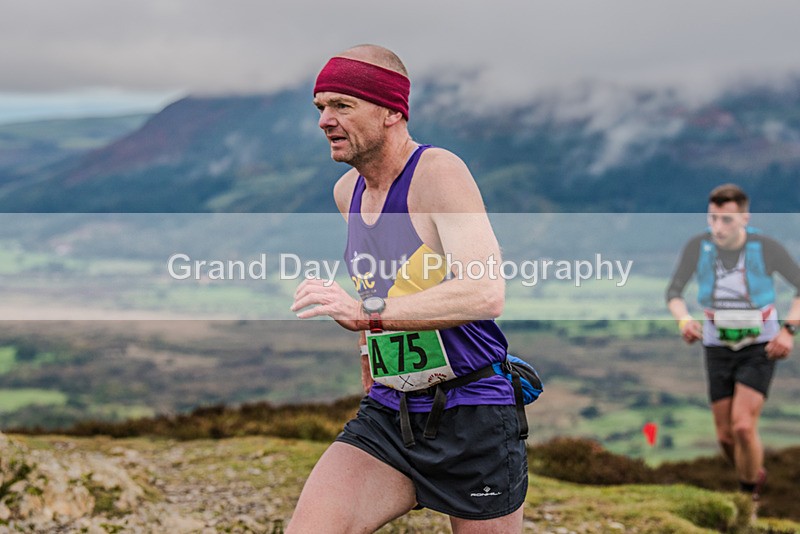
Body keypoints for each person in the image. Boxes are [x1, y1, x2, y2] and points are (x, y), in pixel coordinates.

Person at [288, 44, 528, 533]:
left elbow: (485, 294)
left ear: (392, 112)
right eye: (320, 108)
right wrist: (367, 359)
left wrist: (366, 313)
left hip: (473, 412)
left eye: (342, 106)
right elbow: (377, 285)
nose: (324, 121)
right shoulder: (346, 192)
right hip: (389, 413)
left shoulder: (437, 172)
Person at [666, 183, 800, 500]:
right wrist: (684, 320)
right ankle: (752, 473)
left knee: (742, 426)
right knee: (726, 437)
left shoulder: (766, 247)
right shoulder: (697, 247)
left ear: (744, 218)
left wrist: (788, 331)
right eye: (712, 219)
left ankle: (747, 497)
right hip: (716, 347)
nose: (717, 227)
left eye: (726, 220)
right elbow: (674, 292)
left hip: (760, 346)